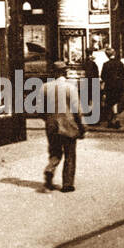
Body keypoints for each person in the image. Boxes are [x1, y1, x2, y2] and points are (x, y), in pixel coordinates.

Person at [42, 61, 84, 192]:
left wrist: (49, 119)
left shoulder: (44, 87)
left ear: (53, 72)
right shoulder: (70, 87)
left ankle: (50, 169)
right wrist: (82, 126)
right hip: (68, 125)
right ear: (64, 72)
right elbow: (77, 109)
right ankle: (67, 184)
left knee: (55, 152)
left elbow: (39, 109)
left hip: (51, 125)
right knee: (70, 154)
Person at [100, 48, 124, 130]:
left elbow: (103, 76)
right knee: (116, 102)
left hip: (109, 86)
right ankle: (116, 119)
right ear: (114, 54)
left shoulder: (106, 64)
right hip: (118, 86)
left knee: (110, 102)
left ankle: (111, 120)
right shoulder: (120, 63)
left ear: (107, 55)